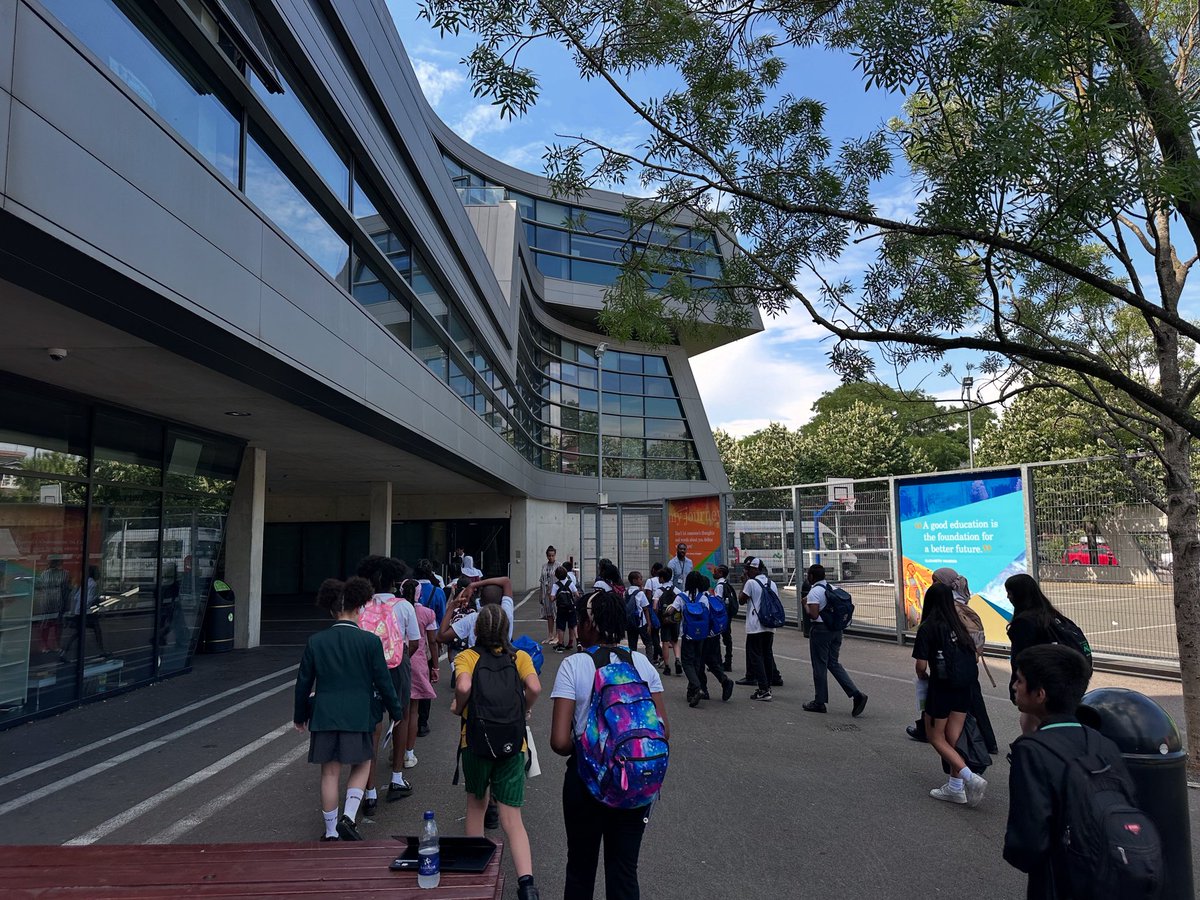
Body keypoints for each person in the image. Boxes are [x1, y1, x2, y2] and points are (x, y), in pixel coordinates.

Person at [550, 589, 669, 900]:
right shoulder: (642, 663)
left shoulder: (574, 666)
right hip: (634, 781)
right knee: (624, 870)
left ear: (589, 623)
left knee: (580, 868)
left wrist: (592, 747)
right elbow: (664, 730)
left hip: (585, 782)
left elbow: (560, 741)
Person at [1004, 643, 1127, 898]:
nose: (1014, 686)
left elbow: (1027, 843)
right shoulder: (1104, 744)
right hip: (1111, 874)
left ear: (1040, 694)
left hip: (1058, 879)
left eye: (1019, 680)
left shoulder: (1031, 750)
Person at [293, 576, 403, 841]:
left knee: (329, 772)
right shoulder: (369, 642)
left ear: (332, 610)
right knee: (363, 762)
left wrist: (300, 715)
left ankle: (330, 831)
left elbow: (303, 682)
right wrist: (396, 711)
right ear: (359, 608)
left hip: (324, 712)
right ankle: (349, 817)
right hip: (360, 712)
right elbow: (383, 681)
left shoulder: (316, 641)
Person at [451, 603, 542, 900]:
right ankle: (527, 885)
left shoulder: (468, 656)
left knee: (477, 806)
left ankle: (477, 880)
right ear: (506, 629)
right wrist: (523, 710)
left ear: (477, 630)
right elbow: (535, 688)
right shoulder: (520, 656)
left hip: (475, 742)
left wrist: (459, 706)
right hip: (512, 744)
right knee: (512, 819)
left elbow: (463, 687)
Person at [912, 582, 987, 806]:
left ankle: (969, 777)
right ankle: (955, 787)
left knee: (935, 736)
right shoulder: (960, 624)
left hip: (942, 687)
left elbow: (921, 665)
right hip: (964, 686)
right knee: (953, 736)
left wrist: (924, 677)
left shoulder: (928, 627)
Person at [357, 556, 420, 808]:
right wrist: (400, 656)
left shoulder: (361, 606)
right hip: (397, 667)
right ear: (394, 582)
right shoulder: (404, 606)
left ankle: (369, 790)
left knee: (372, 726)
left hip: (368, 669)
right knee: (401, 717)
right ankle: (396, 778)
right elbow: (414, 641)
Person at [1006, 573, 1090, 735]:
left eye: (1010, 592)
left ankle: (1040, 752)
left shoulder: (1024, 622)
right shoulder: (1051, 614)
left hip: (1043, 680)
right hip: (1067, 677)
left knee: (1031, 725)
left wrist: (1015, 687)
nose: (1008, 596)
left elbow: (1020, 660)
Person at [802, 564, 868, 716]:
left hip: (821, 631)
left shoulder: (814, 592)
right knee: (833, 663)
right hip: (836, 630)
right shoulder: (830, 588)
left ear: (811, 577)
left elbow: (813, 614)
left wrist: (805, 604)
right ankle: (856, 694)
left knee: (819, 665)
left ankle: (819, 702)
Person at [671, 571, 734, 707]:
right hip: (709, 634)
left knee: (697, 662)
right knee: (703, 661)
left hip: (696, 634)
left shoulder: (685, 597)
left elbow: (672, 611)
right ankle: (699, 689)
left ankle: (701, 688)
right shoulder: (707, 597)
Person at [401, 579, 439, 771]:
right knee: (414, 710)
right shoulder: (427, 613)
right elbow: (432, 641)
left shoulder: (396, 609)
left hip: (397, 661)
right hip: (418, 662)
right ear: (419, 594)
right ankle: (408, 753)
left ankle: (395, 750)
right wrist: (436, 666)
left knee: (399, 712)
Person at [739, 557, 779, 701]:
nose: (746, 571)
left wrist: (744, 581)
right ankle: (767, 686)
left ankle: (763, 689)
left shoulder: (750, 582)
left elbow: (741, 600)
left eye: (748, 569)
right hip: (769, 625)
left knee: (755, 656)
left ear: (754, 569)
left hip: (756, 626)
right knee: (767, 655)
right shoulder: (772, 583)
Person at [413, 559, 446, 737]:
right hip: (429, 638)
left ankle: (405, 718)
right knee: (425, 680)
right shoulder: (437, 592)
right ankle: (422, 721)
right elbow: (441, 617)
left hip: (409, 639)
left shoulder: (407, 590)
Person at [60, 565, 106, 660]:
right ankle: (101, 650)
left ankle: (63, 652)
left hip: (79, 611)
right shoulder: (93, 584)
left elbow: (76, 597)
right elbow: (88, 599)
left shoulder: (84, 582)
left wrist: (73, 611)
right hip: (86, 612)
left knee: (78, 632)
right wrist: (97, 600)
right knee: (97, 630)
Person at [649, 566, 681, 677]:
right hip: (675, 620)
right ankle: (677, 659)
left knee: (665, 643)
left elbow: (654, 607)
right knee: (675, 641)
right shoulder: (676, 590)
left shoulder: (658, 591)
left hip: (664, 620)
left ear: (662, 578)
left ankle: (667, 666)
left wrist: (659, 616)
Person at [710, 564, 736, 672]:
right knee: (727, 638)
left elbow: (718, 602)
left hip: (721, 617)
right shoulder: (726, 583)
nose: (714, 573)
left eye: (715, 571)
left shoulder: (720, 585)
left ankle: (720, 663)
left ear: (720, 573)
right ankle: (728, 661)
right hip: (727, 615)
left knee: (716, 638)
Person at [624, 571, 651, 654]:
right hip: (641, 622)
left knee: (632, 646)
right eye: (640, 579)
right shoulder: (640, 593)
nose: (642, 581)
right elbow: (645, 609)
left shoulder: (625, 592)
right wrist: (649, 624)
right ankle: (650, 662)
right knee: (648, 643)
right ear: (634, 580)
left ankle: (633, 663)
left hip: (630, 623)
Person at [553, 565, 579, 652]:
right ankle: (576, 641)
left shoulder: (556, 585)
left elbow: (552, 598)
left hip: (561, 608)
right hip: (571, 607)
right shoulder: (570, 583)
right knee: (573, 624)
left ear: (556, 576)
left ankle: (560, 644)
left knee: (561, 626)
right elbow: (577, 594)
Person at [539, 546, 560, 645]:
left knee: (557, 614)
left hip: (555, 594)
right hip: (546, 594)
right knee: (549, 614)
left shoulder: (558, 566)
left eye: (552, 555)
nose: (551, 557)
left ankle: (557, 635)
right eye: (549, 555)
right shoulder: (544, 566)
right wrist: (541, 595)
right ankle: (550, 634)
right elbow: (541, 581)